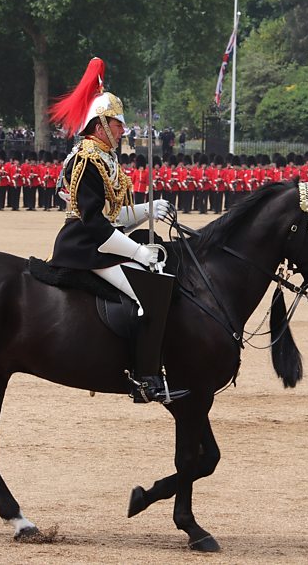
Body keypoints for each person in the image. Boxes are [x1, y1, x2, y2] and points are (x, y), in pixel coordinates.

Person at [48, 57, 183, 404]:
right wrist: (138, 251)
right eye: (118, 124)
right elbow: (94, 222)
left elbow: (115, 216)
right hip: (85, 245)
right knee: (149, 295)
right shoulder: (87, 159)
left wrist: (148, 210)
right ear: (101, 125)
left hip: (97, 240)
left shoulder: (106, 158)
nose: (124, 130)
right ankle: (144, 378)